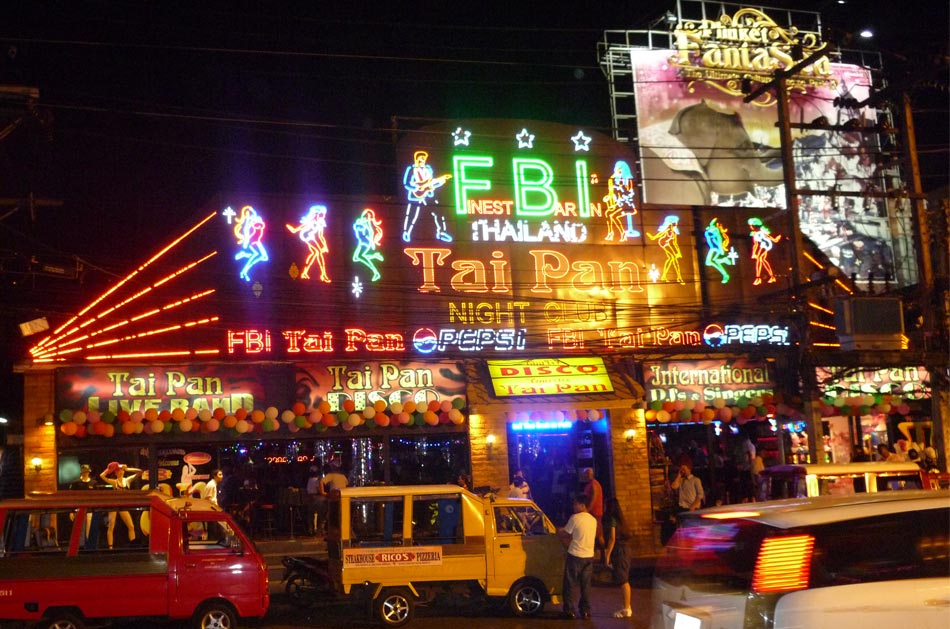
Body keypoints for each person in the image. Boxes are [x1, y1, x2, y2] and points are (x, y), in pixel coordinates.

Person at [557, 494, 597, 620]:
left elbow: (566, 533)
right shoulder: (593, 520)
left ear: (582, 505)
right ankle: (585, 610)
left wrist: (558, 531)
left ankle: (569, 610)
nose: (573, 506)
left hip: (575, 555)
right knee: (585, 586)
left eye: (575, 504)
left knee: (569, 584)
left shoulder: (575, 518)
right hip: (589, 556)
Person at [401, 150, 453, 242]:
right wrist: (417, 188)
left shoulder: (428, 169)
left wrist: (440, 182)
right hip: (416, 195)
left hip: (428, 194)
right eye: (420, 159)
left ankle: (441, 232)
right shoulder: (411, 169)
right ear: (416, 159)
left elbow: (431, 183)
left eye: (423, 159)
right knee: (412, 214)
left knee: (439, 212)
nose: (422, 161)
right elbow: (406, 184)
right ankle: (406, 233)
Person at [99, 462, 143, 548]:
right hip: (114, 505)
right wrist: (109, 470)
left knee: (131, 526)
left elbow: (140, 472)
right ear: (115, 473)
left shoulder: (127, 480)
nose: (121, 472)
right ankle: (110, 548)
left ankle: (133, 546)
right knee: (111, 526)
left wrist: (127, 469)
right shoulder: (114, 482)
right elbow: (102, 476)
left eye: (121, 470)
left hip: (123, 505)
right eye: (118, 470)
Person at [603, 497, 634, 619]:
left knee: (623, 580)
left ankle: (626, 609)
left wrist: (607, 554)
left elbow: (612, 538)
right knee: (623, 578)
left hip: (620, 550)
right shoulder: (621, 520)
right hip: (625, 549)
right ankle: (627, 606)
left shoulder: (612, 520)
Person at [580, 467, 604, 560]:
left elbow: (593, 499)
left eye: (587, 474)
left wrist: (587, 510)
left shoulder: (594, 484)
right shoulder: (589, 485)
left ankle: (602, 556)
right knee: (595, 534)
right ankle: (598, 555)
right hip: (593, 513)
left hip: (595, 513)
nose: (586, 476)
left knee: (597, 534)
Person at [305, 466, 326, 536]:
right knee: (321, 514)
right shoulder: (318, 480)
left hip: (310, 498)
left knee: (311, 515)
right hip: (317, 498)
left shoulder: (309, 480)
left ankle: (311, 530)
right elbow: (320, 491)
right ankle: (320, 530)